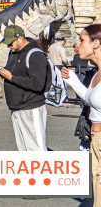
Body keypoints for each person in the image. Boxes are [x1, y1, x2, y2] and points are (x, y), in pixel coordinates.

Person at [62, 24, 101, 202]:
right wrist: (73, 80)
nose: (77, 44)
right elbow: (90, 97)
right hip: (94, 139)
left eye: (82, 40)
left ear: (96, 44)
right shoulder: (96, 74)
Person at [0, 25, 49, 151]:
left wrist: (11, 77)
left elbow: (38, 84)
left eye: (10, 43)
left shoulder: (35, 55)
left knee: (36, 150)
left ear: (20, 38)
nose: (9, 46)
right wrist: (3, 73)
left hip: (31, 107)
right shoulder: (13, 52)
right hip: (16, 107)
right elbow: (17, 73)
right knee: (23, 150)